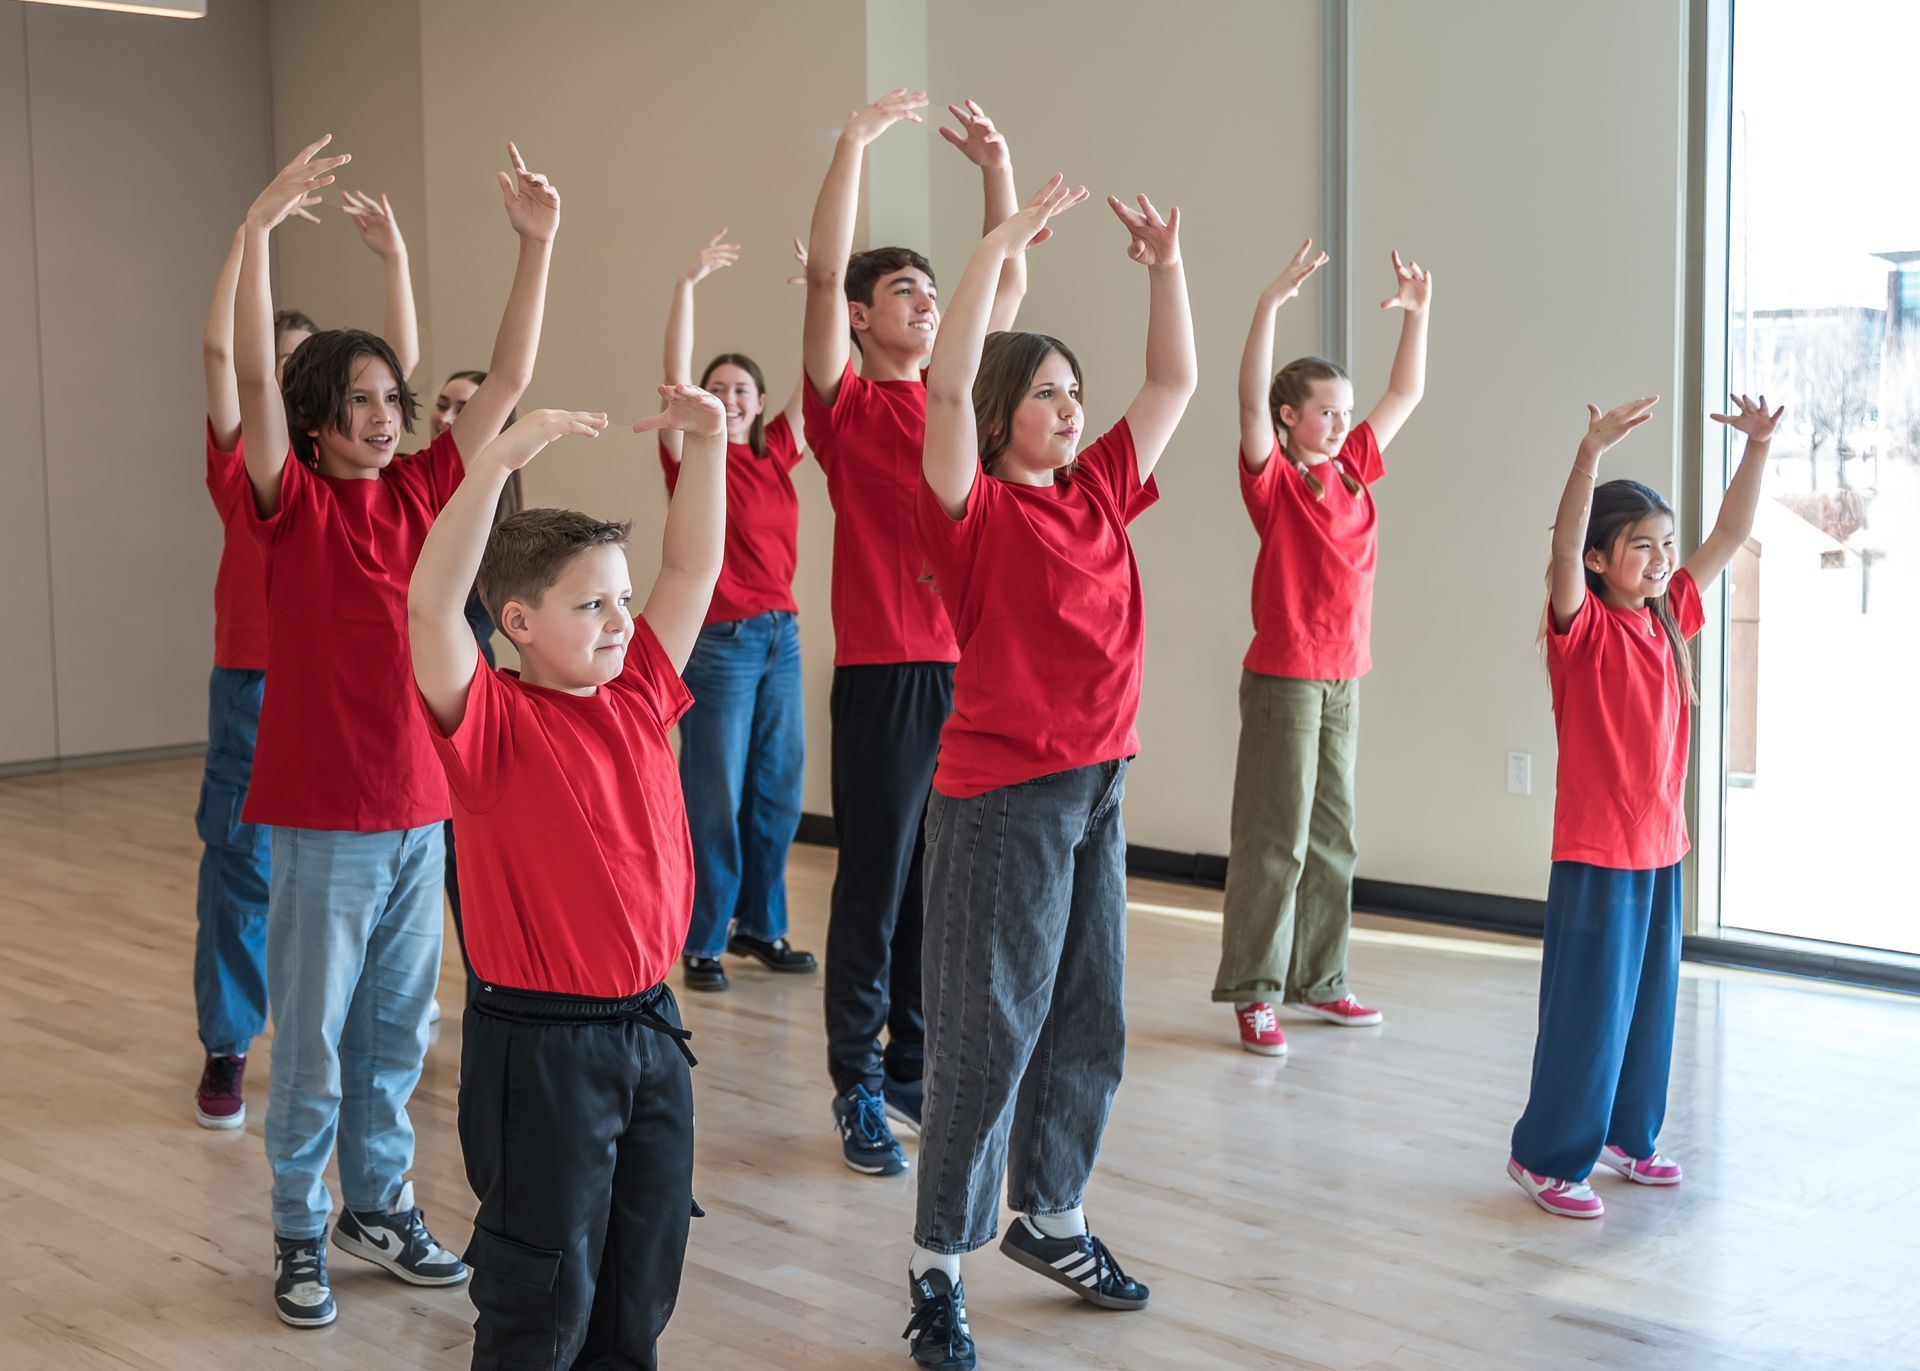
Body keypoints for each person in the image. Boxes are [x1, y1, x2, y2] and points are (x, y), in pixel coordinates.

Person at [234, 135, 557, 1327]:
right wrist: (259, 235)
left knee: (396, 1036)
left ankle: (377, 1204)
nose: (381, 416)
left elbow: (509, 378)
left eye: (389, 400)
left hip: (423, 811)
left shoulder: (428, 492)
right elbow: (254, 387)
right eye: (357, 402)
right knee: (312, 1044)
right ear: (319, 422)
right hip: (325, 823)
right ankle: (298, 1229)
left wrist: (537, 244)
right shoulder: (296, 509)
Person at [903, 175, 1197, 1371]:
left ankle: (1055, 1216)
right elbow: (939, 383)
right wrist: (992, 251)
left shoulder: (1098, 492)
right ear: (995, 412)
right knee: (986, 1035)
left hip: (1098, 784)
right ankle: (937, 1268)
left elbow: (1173, 382)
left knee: (1089, 1017)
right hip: (1002, 801)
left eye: (1076, 393)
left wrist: (1165, 270)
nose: (1071, 411)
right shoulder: (967, 513)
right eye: (1045, 394)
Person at [409, 387, 726, 1369]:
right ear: (517, 622)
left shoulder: (637, 693)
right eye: (591, 604)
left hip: (648, 1033)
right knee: (541, 1299)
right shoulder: (492, 720)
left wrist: (709, 441)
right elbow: (427, 601)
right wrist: (496, 463)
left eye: (621, 599)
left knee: (641, 1281)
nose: (622, 619)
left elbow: (692, 562)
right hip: (540, 1053)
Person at [802, 89, 1028, 1175]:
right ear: (859, 315)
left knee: (941, 883)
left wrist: (998, 173)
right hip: (886, 672)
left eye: (934, 294)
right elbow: (817, 270)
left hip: (965, 668)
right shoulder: (842, 405)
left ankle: (910, 1062)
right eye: (904, 291)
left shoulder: (957, 403)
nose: (928, 304)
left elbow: (1008, 285)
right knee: (878, 874)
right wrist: (851, 144)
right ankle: (854, 1080)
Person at [1508, 391, 1781, 1218]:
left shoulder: (1669, 617)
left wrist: (1759, 448)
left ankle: (1630, 1135)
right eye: (1641, 547)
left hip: (1661, 846)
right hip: (1596, 851)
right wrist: (1588, 452)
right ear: (1599, 560)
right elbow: (1558, 546)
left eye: (1666, 545)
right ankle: (1547, 1155)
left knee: (1649, 1007)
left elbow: (1729, 534)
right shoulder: (1580, 627)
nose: (1664, 559)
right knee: (1589, 1012)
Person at [190, 189, 419, 1128]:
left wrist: (394, 265)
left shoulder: (365, 463)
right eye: (280, 365)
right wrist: (255, 237)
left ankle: (348, 1042)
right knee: (242, 864)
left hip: (342, 685)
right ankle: (231, 1041)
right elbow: (226, 357)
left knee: (336, 884)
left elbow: (403, 371)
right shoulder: (258, 461)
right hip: (256, 672)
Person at [1212, 240, 1432, 1055]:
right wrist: (1269, 304)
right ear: (1288, 419)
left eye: (1345, 410)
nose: (1342, 422)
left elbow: (1405, 390)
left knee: (1336, 835)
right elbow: (1245, 399)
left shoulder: (1355, 471)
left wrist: (1418, 314)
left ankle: (1320, 978)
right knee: (1277, 837)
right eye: (1326, 412)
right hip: (1286, 680)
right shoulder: (1274, 481)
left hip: (1345, 677)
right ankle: (1255, 990)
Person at [658, 231, 817, 992]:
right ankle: (705, 937)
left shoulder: (778, 451)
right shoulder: (695, 454)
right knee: (713, 793)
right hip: (718, 645)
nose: (727, 398)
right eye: (715, 389)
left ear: (758, 403)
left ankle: (761, 924)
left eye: (740, 390)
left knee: (779, 788)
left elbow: (820, 380)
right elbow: (674, 375)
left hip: (780, 637)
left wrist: (823, 292)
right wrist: (687, 284)